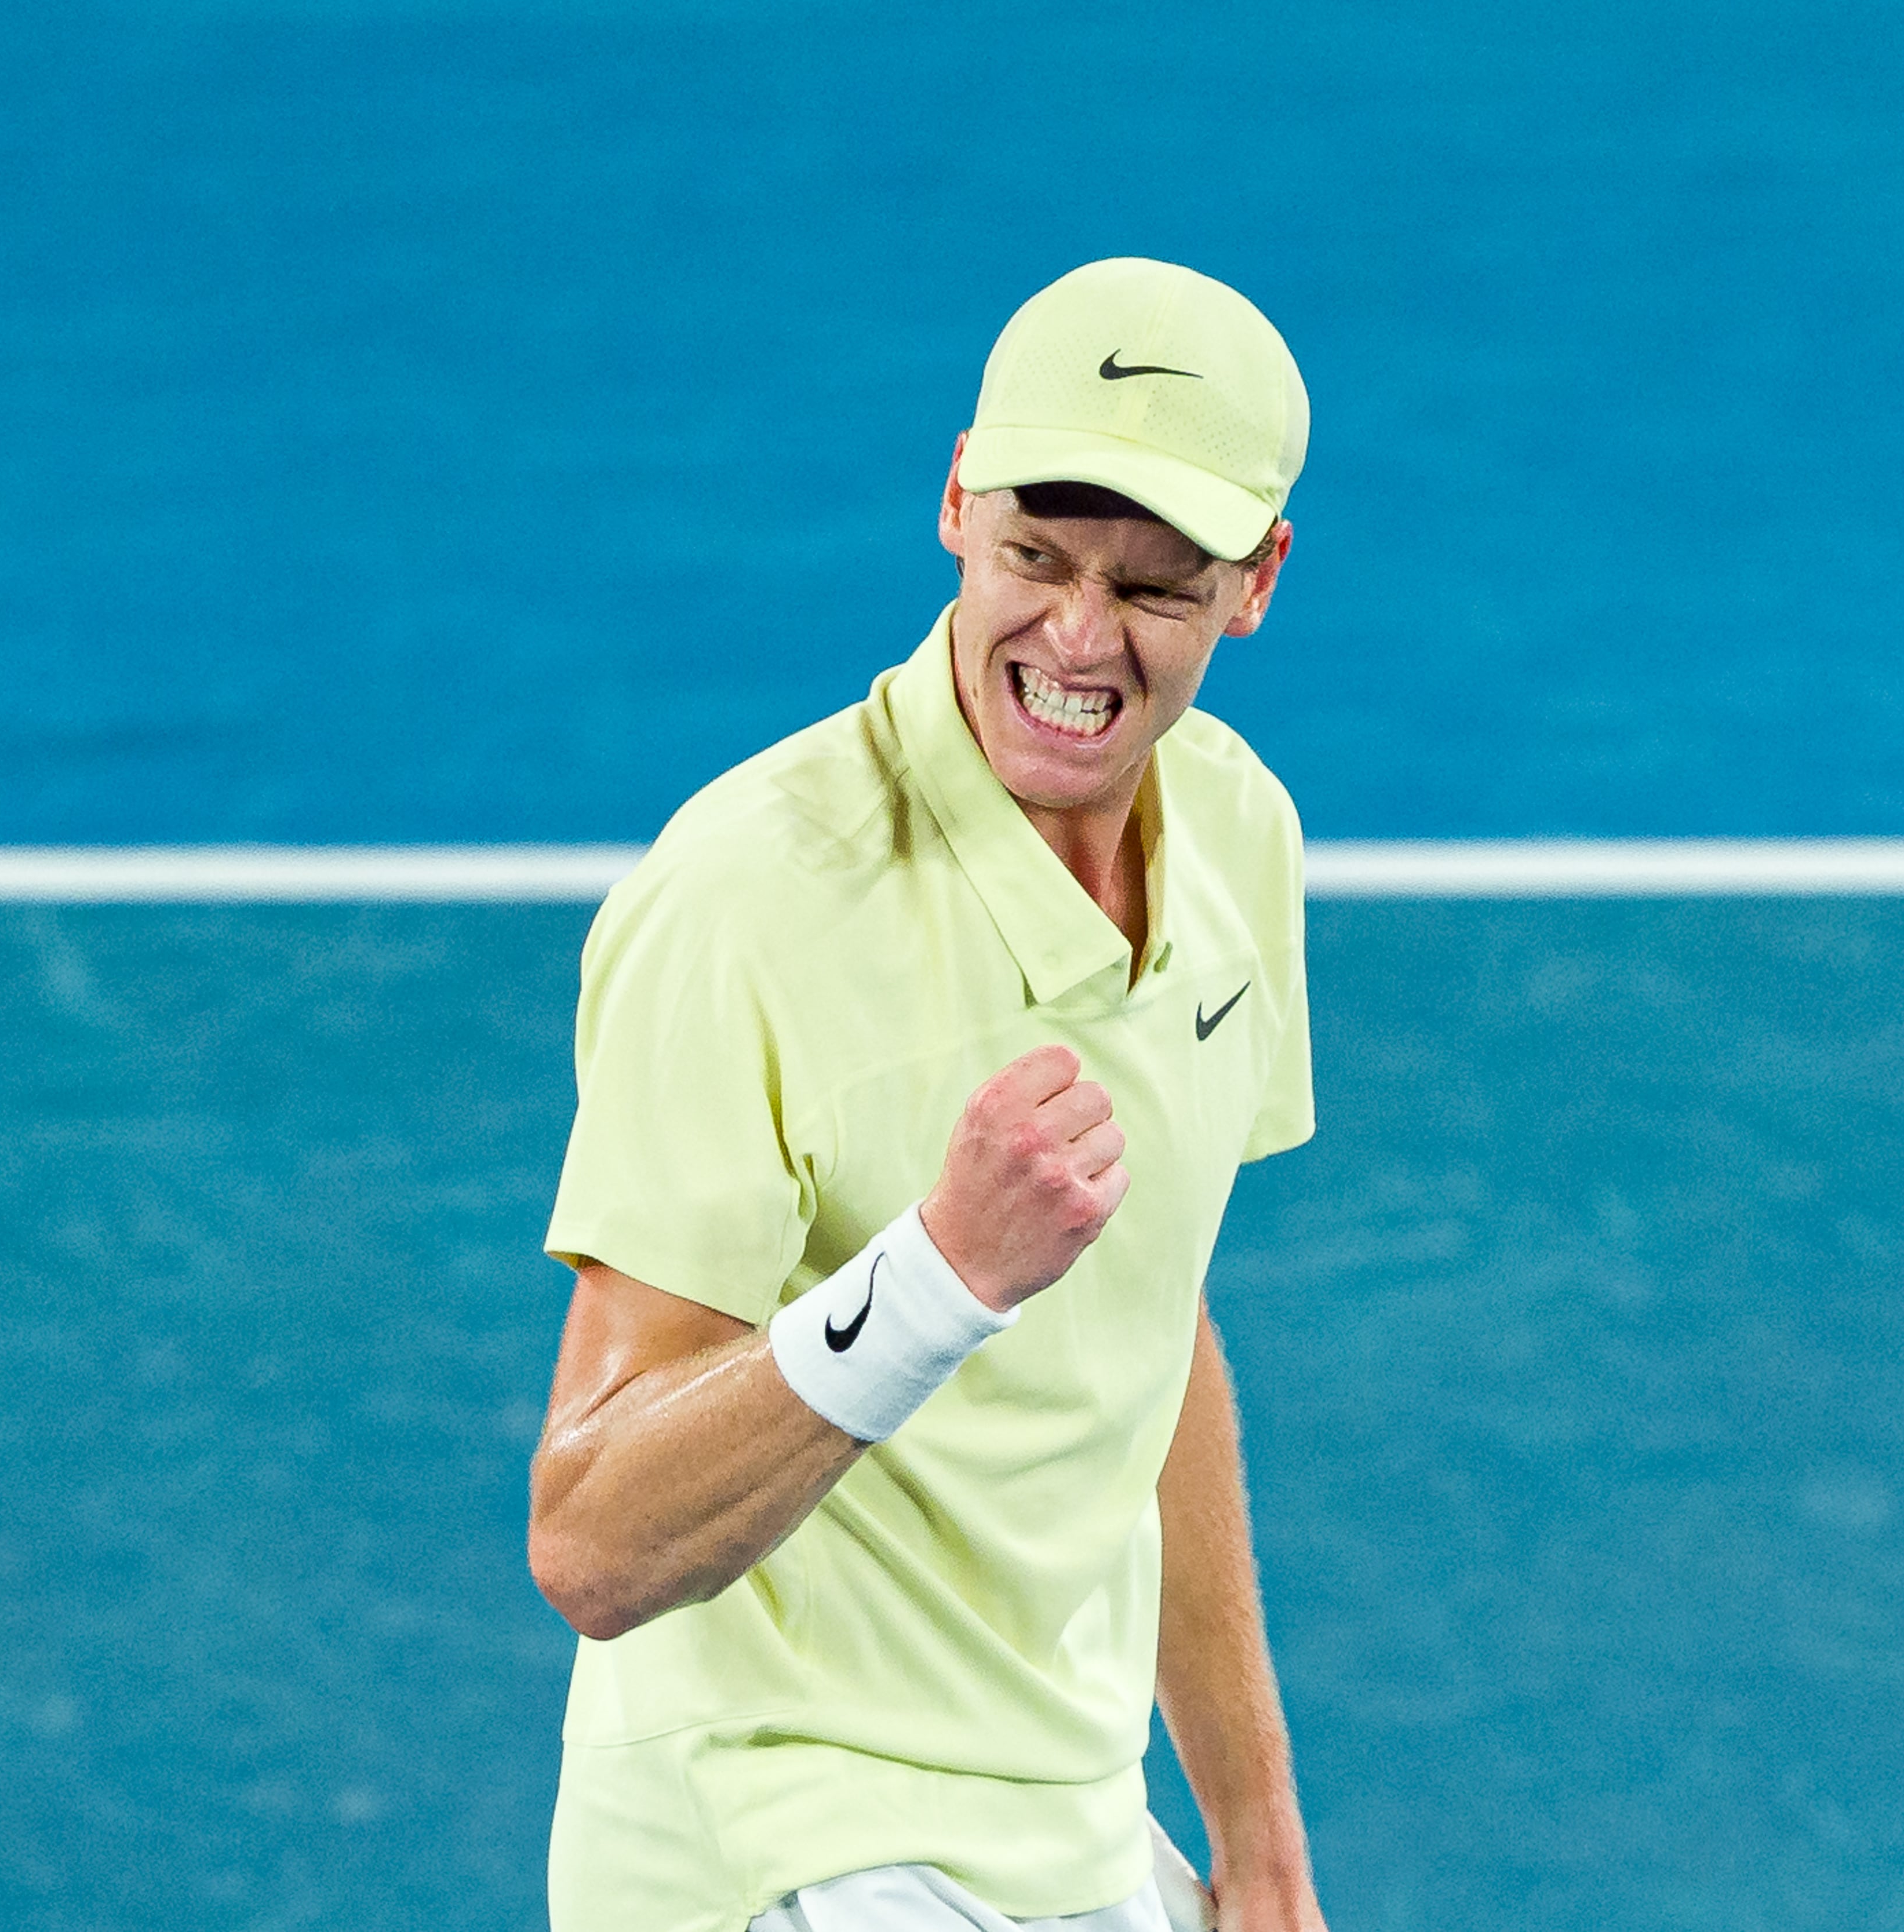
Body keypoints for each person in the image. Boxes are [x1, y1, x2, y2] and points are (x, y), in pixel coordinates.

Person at [527, 257, 1328, 1932]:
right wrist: (934, 1283)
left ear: (1258, 582)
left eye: (1156, 589)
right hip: (774, 1822)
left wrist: (1255, 1837)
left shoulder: (1242, 839)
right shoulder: (746, 901)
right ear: (955, 502)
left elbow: (1152, 1336)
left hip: (1066, 1816)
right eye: (1033, 556)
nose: (1077, 638)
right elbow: (592, 1540)